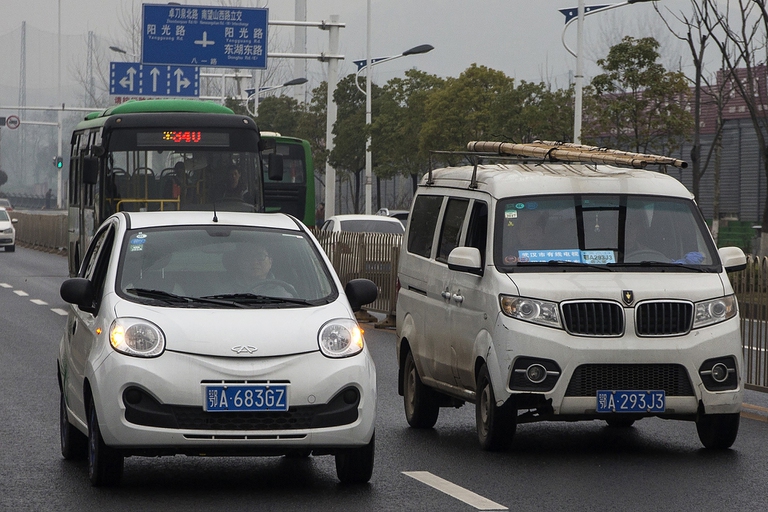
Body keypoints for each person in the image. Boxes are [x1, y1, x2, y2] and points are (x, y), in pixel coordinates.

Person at [223, 246, 296, 297]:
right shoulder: (225, 291)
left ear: (270, 261)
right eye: (248, 257)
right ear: (240, 262)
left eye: (260, 256)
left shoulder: (285, 290)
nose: (254, 262)